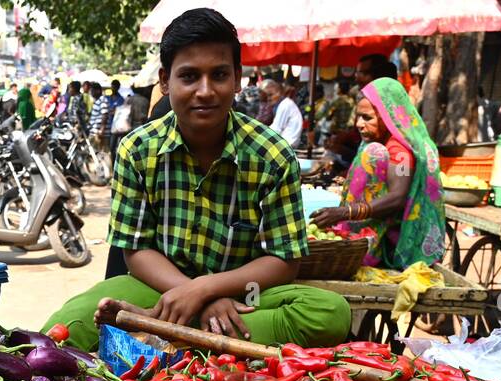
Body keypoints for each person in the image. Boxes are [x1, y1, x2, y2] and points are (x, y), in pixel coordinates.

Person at [42, 8, 350, 351]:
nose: (205, 91)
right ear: (164, 80)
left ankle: (153, 328)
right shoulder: (137, 149)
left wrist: (206, 290)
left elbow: (283, 260)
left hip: (245, 292)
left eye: (219, 75)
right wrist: (190, 293)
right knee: (72, 321)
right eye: (189, 76)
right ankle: (200, 337)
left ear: (237, 78)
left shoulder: (273, 154)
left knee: (330, 312)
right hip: (159, 287)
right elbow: (136, 249)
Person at [310, 77, 445, 271]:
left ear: (387, 116)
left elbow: (397, 197)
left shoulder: (400, 151)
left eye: (367, 117)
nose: (358, 124)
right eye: (358, 117)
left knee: (374, 153)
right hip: (383, 232)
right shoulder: (384, 141)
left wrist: (345, 212)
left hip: (393, 243)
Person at [262, 77, 302, 148]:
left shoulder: (285, 105)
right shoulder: (280, 105)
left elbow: (276, 130)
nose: (268, 99)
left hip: (287, 145)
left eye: (271, 95)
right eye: (266, 96)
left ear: (279, 93)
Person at [89, 79, 124, 151]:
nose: (91, 93)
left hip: (105, 131)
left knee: (104, 153)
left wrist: (102, 130)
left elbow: (104, 114)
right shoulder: (105, 98)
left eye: (92, 91)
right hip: (98, 131)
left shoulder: (104, 100)